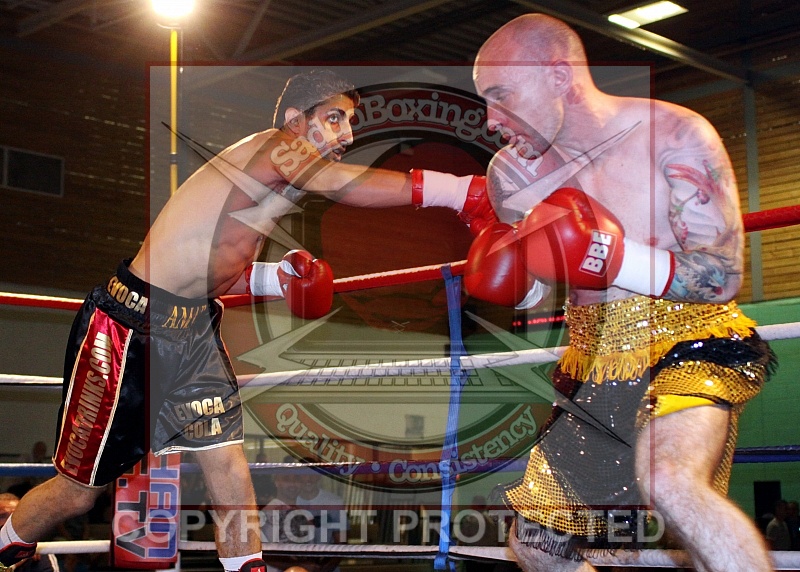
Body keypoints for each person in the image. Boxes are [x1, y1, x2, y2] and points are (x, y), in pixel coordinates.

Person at [0, 69, 496, 572]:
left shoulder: (271, 185)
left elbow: (216, 270)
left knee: (230, 471)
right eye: (334, 118)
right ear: (295, 120)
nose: (347, 134)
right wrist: (459, 191)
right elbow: (342, 184)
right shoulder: (275, 146)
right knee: (78, 494)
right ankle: (4, 546)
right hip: (131, 325)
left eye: (349, 121)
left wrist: (275, 279)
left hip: (193, 330)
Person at [466, 14, 777, 572]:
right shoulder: (510, 175)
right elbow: (541, 283)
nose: (491, 120)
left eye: (501, 95)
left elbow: (723, 275)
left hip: (687, 339)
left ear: (558, 75)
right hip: (591, 357)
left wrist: (613, 257)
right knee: (536, 546)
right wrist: (518, 284)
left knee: (670, 481)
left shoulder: (675, 135)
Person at [294, 469, 347, 572]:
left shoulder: (334, 502)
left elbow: (341, 542)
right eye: (304, 474)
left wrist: (324, 568)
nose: (309, 479)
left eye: (313, 474)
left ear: (319, 476)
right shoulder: (288, 502)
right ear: (298, 476)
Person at [0, 494, 57, 572]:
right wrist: (13, 565)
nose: (9, 522)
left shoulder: (39, 553)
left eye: (16, 516)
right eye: (2, 516)